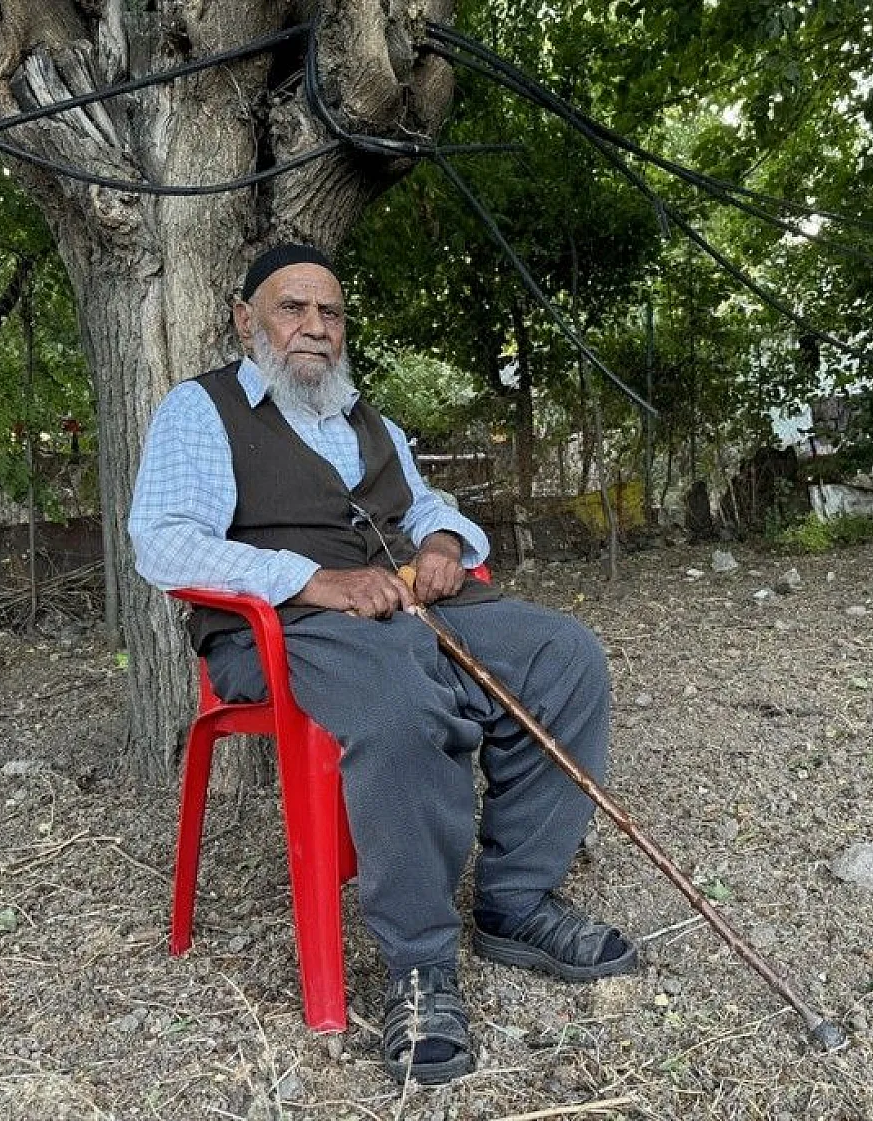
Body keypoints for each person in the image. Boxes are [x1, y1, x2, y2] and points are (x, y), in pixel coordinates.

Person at [128, 244, 637, 1084]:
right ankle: (420, 965)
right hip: (286, 624)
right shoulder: (201, 410)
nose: (315, 328)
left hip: (409, 603)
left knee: (563, 655)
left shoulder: (370, 420)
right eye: (293, 308)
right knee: (402, 700)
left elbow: (430, 506)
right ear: (246, 320)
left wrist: (442, 542)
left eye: (330, 312)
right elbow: (165, 540)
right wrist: (315, 580)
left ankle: (514, 901)